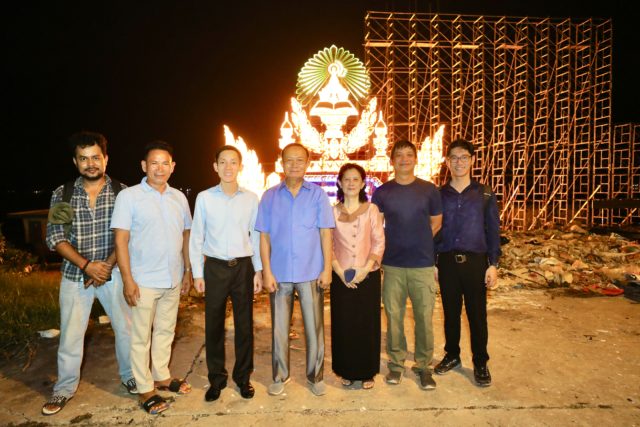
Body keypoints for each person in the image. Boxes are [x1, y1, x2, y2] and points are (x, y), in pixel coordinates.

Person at [42, 131, 133, 416]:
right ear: (75, 162)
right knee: (71, 336)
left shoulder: (122, 193)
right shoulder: (63, 193)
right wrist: (87, 265)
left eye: (95, 157)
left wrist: (105, 266)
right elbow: (55, 237)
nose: (90, 163)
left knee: (126, 329)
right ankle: (64, 389)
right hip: (74, 276)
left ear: (106, 159)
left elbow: (128, 235)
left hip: (113, 273)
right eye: (83, 159)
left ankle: (131, 376)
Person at [112, 140, 193, 415]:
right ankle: (145, 388)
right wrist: (127, 279)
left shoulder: (178, 197)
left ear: (173, 166)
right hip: (142, 280)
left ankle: (162, 376)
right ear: (144, 166)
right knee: (140, 337)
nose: (160, 168)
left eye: (165, 163)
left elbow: (186, 235)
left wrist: (187, 271)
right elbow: (121, 240)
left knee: (166, 331)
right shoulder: (129, 197)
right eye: (154, 163)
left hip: (172, 277)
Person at [255, 142, 335, 397]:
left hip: (311, 272)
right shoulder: (269, 196)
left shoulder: (318, 195)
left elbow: (326, 233)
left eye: (300, 160)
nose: (294, 165)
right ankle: (280, 376)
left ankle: (315, 376)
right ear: (281, 162)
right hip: (279, 274)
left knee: (314, 328)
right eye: (289, 160)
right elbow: (264, 236)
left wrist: (327, 269)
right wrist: (266, 271)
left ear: (307, 163)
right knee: (279, 329)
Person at [189, 145, 263, 402]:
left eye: (233, 162)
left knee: (244, 326)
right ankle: (216, 380)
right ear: (215, 166)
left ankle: (243, 378)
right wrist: (197, 273)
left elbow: (256, 237)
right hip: (215, 268)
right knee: (214, 327)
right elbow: (197, 237)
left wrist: (258, 270)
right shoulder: (205, 198)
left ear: (240, 166)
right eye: (223, 162)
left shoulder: (251, 198)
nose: (228, 167)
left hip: (243, 267)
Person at [371, 139, 442, 390]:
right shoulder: (383, 192)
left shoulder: (429, 190)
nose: (404, 159)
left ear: (415, 159)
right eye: (399, 155)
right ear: (392, 161)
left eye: (408, 154)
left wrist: (418, 241)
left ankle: (424, 367)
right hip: (392, 265)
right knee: (394, 317)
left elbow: (436, 223)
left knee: (424, 318)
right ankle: (396, 364)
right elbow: (376, 226)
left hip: (422, 264)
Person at [434, 138, 501, 387]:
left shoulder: (484, 193)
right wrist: (433, 262)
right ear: (447, 162)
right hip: (447, 262)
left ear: (472, 161)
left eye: (464, 157)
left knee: (477, 315)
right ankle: (452, 355)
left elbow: (493, 230)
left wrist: (493, 264)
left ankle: (480, 361)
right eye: (454, 157)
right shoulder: (439, 195)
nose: (459, 162)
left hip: (475, 263)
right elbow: (433, 230)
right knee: (450, 313)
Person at [330, 163, 385, 389]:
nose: (351, 183)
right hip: (340, 276)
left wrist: (366, 268)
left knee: (367, 324)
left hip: (367, 276)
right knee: (344, 324)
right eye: (347, 179)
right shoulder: (332, 212)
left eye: (356, 179)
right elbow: (327, 244)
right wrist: (339, 271)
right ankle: (346, 370)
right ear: (340, 183)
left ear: (363, 184)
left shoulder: (371, 210)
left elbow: (378, 241)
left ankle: (367, 371)